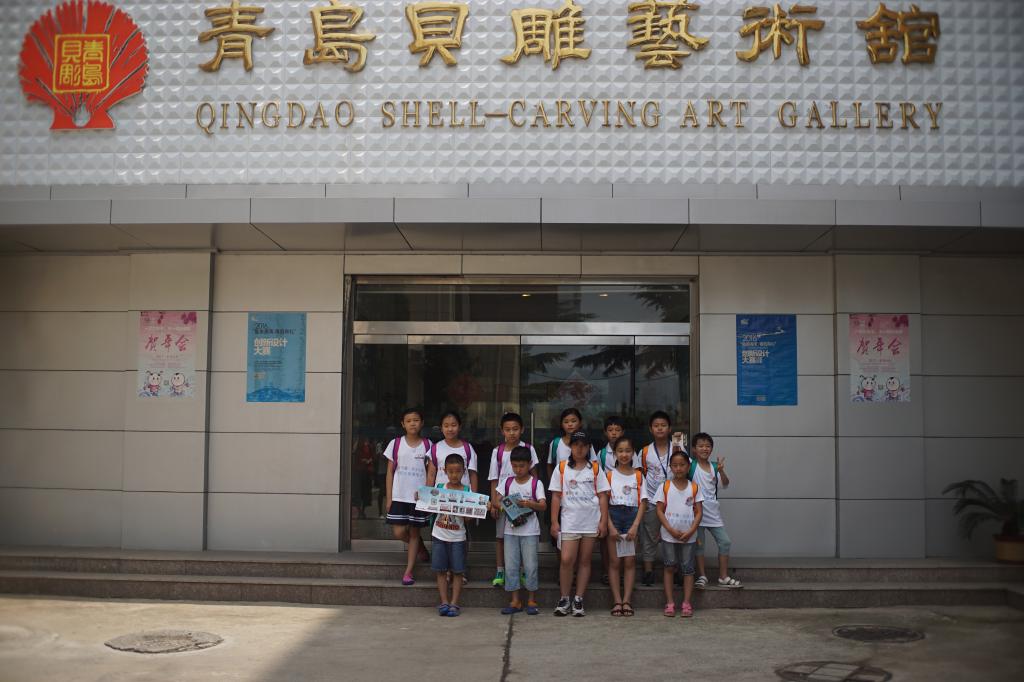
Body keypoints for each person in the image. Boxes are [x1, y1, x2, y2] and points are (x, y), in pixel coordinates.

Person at [549, 430, 610, 617]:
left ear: (589, 447)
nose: (579, 448)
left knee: (585, 560)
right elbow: (556, 496)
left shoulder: (596, 469)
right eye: (576, 445)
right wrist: (554, 521)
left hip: (590, 521)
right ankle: (564, 598)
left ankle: (578, 599)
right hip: (569, 521)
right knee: (567, 560)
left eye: (583, 445)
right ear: (570, 447)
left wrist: (603, 521)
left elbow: (602, 496)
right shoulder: (561, 468)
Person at [487, 412, 539, 588]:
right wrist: (494, 503)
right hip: (504, 502)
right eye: (508, 429)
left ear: (522, 429)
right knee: (501, 537)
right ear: (502, 431)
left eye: (515, 429)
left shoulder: (529, 448)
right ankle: (500, 570)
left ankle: (523, 570)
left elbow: (534, 475)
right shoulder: (498, 451)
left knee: (523, 536)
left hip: (524, 502)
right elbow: (494, 479)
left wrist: (534, 501)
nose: (511, 433)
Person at [384, 408, 431, 586]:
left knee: (414, 533)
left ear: (422, 423)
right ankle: (420, 547)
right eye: (409, 421)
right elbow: (389, 472)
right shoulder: (395, 443)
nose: (413, 423)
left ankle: (408, 571)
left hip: (418, 498)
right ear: (403, 424)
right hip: (399, 496)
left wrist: (427, 495)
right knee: (399, 532)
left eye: (416, 420)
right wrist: (389, 498)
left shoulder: (428, 445)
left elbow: (431, 473)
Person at [497, 446, 547, 615]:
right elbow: (496, 499)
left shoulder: (535, 483)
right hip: (510, 531)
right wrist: (504, 505)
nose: (518, 469)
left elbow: (543, 505)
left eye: (522, 466)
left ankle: (531, 599)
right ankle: (515, 600)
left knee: (531, 565)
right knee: (511, 566)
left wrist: (530, 504)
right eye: (515, 466)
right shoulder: (507, 482)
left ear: (530, 464)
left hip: (530, 531)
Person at [690, 432, 743, 590]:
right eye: (700, 446)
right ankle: (701, 576)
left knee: (725, 542)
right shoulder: (690, 465)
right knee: (699, 546)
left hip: (713, 513)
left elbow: (725, 484)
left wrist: (721, 471)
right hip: (696, 513)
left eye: (708, 446)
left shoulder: (715, 466)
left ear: (711, 449)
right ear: (694, 449)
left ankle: (723, 577)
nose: (704, 448)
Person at [654, 451, 704, 618]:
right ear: (670, 467)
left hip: (689, 536)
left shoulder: (694, 487)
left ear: (688, 467)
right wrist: (670, 529)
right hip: (669, 535)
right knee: (669, 566)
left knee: (688, 569)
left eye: (682, 465)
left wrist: (691, 531)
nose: (678, 468)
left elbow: (699, 512)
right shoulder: (665, 486)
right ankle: (670, 603)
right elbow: (659, 510)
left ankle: (686, 603)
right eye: (675, 465)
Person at [637, 411, 684, 586]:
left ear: (669, 428)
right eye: (656, 426)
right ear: (651, 429)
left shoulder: (677, 447)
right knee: (649, 536)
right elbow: (640, 476)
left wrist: (680, 445)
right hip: (651, 500)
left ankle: (675, 569)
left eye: (663, 425)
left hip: (674, 501)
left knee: (674, 536)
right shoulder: (645, 451)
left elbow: (684, 468)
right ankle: (648, 571)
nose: (660, 428)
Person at [605, 436, 646, 617]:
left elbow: (643, 502)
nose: (624, 454)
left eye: (628, 451)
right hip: (613, 517)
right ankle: (617, 601)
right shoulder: (609, 475)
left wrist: (635, 525)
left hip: (631, 518)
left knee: (629, 561)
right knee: (614, 562)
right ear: (615, 453)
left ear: (633, 453)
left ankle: (627, 600)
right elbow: (603, 503)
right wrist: (610, 526)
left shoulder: (638, 475)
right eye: (620, 451)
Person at [429, 454, 471, 617]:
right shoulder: (439, 487)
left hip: (458, 537)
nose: (454, 475)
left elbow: (468, 519)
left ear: (464, 471)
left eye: (458, 471)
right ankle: (444, 601)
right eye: (451, 471)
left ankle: (454, 603)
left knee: (458, 571)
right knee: (440, 570)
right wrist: (421, 498)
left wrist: (478, 508)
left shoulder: (467, 491)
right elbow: (429, 504)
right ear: (444, 471)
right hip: (439, 535)